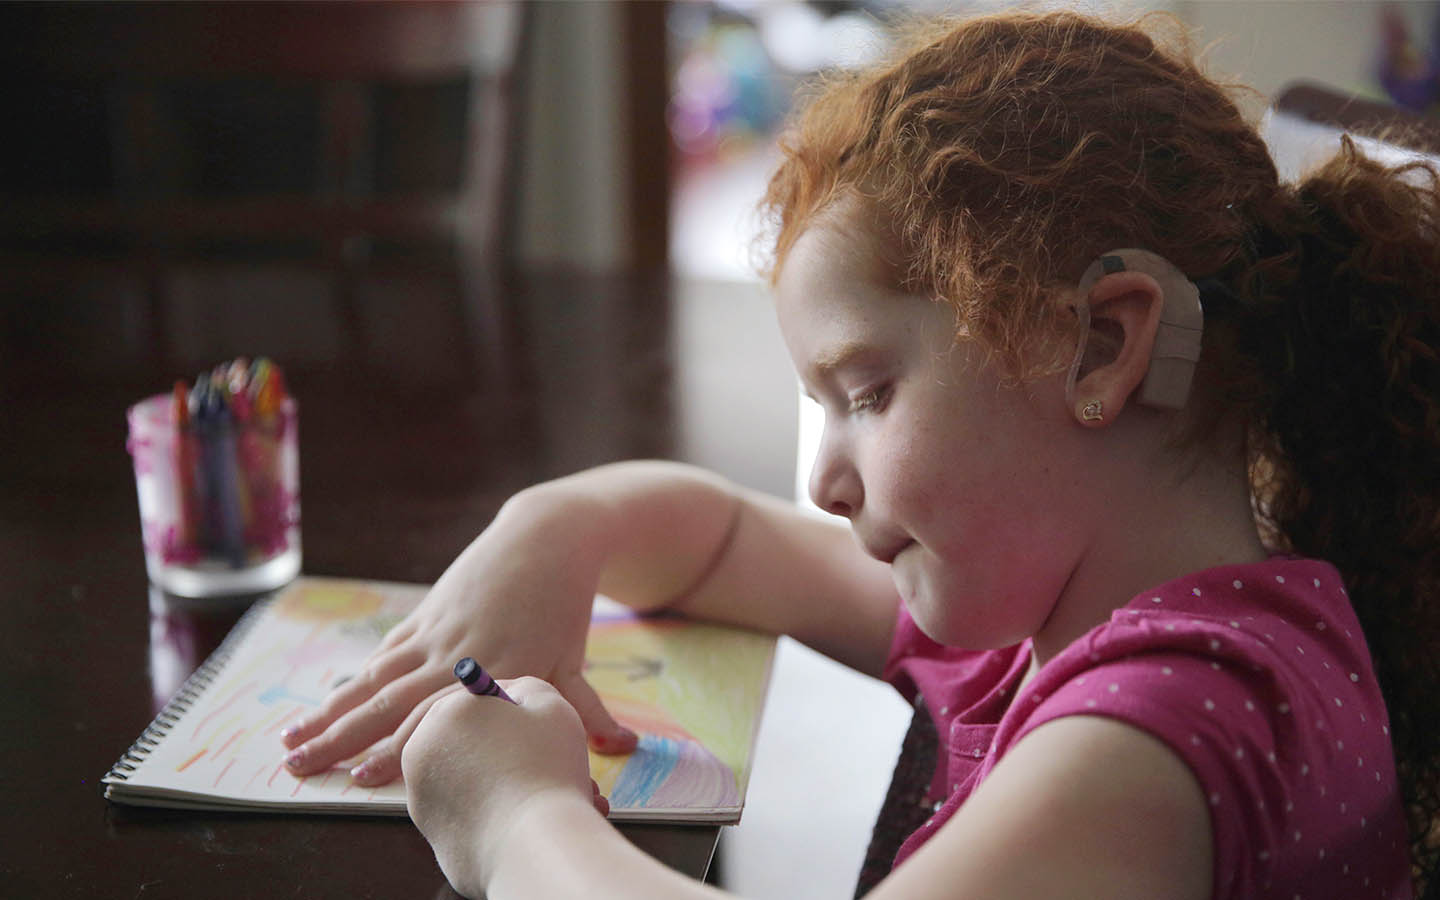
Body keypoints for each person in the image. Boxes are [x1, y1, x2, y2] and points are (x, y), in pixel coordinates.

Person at [279, 10, 1440, 898]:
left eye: (869, 393)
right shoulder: (1051, 618)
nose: (825, 481)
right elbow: (720, 539)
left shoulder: (1159, 730)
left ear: (1100, 346)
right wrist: (551, 531)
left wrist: (514, 815)